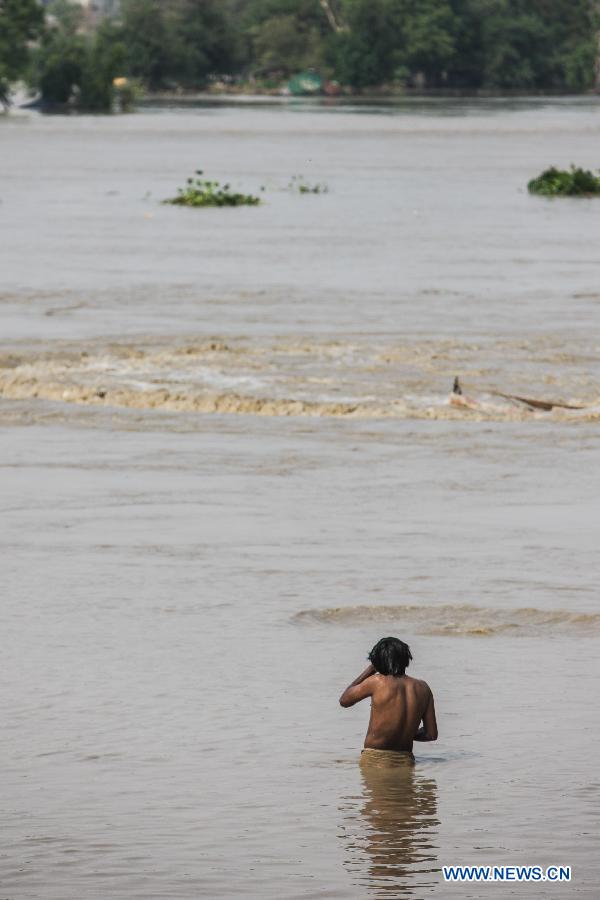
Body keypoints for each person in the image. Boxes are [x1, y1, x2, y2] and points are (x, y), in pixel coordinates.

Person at [339, 636, 438, 765]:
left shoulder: (377, 681)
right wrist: (404, 733)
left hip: (375, 759)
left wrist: (370, 670)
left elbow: (344, 700)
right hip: (406, 760)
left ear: (378, 661)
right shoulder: (423, 688)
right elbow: (431, 734)